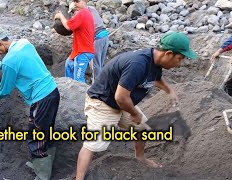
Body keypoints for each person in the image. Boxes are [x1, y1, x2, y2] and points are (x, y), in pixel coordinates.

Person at [75, 32, 198, 180]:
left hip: (122, 103)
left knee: (142, 129)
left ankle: (140, 158)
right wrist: (134, 113)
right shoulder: (138, 64)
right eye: (179, 59)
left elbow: (156, 78)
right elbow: (120, 96)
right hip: (103, 102)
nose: (180, 64)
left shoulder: (155, 61)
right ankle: (79, 178)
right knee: (94, 144)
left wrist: (169, 90)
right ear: (169, 53)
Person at [0, 27, 60, 180]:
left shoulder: (10, 60)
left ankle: (43, 175)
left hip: (41, 99)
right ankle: (42, 165)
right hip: (52, 92)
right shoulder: (24, 43)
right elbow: (18, 64)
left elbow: (4, 90)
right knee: (46, 131)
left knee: (36, 136)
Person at [54, 0, 95, 83]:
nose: (75, 3)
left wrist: (60, 16)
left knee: (78, 80)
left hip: (84, 51)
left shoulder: (82, 13)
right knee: (68, 64)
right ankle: (69, 89)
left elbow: (68, 27)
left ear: (84, 1)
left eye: (77, 1)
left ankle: (81, 94)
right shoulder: (85, 13)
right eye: (74, 1)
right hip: (78, 51)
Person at [68, 2, 109, 83]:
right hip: (104, 37)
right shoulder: (91, 9)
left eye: (73, 12)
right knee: (100, 64)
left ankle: (97, 87)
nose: (73, 14)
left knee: (95, 65)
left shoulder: (83, 13)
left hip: (97, 38)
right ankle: (100, 85)